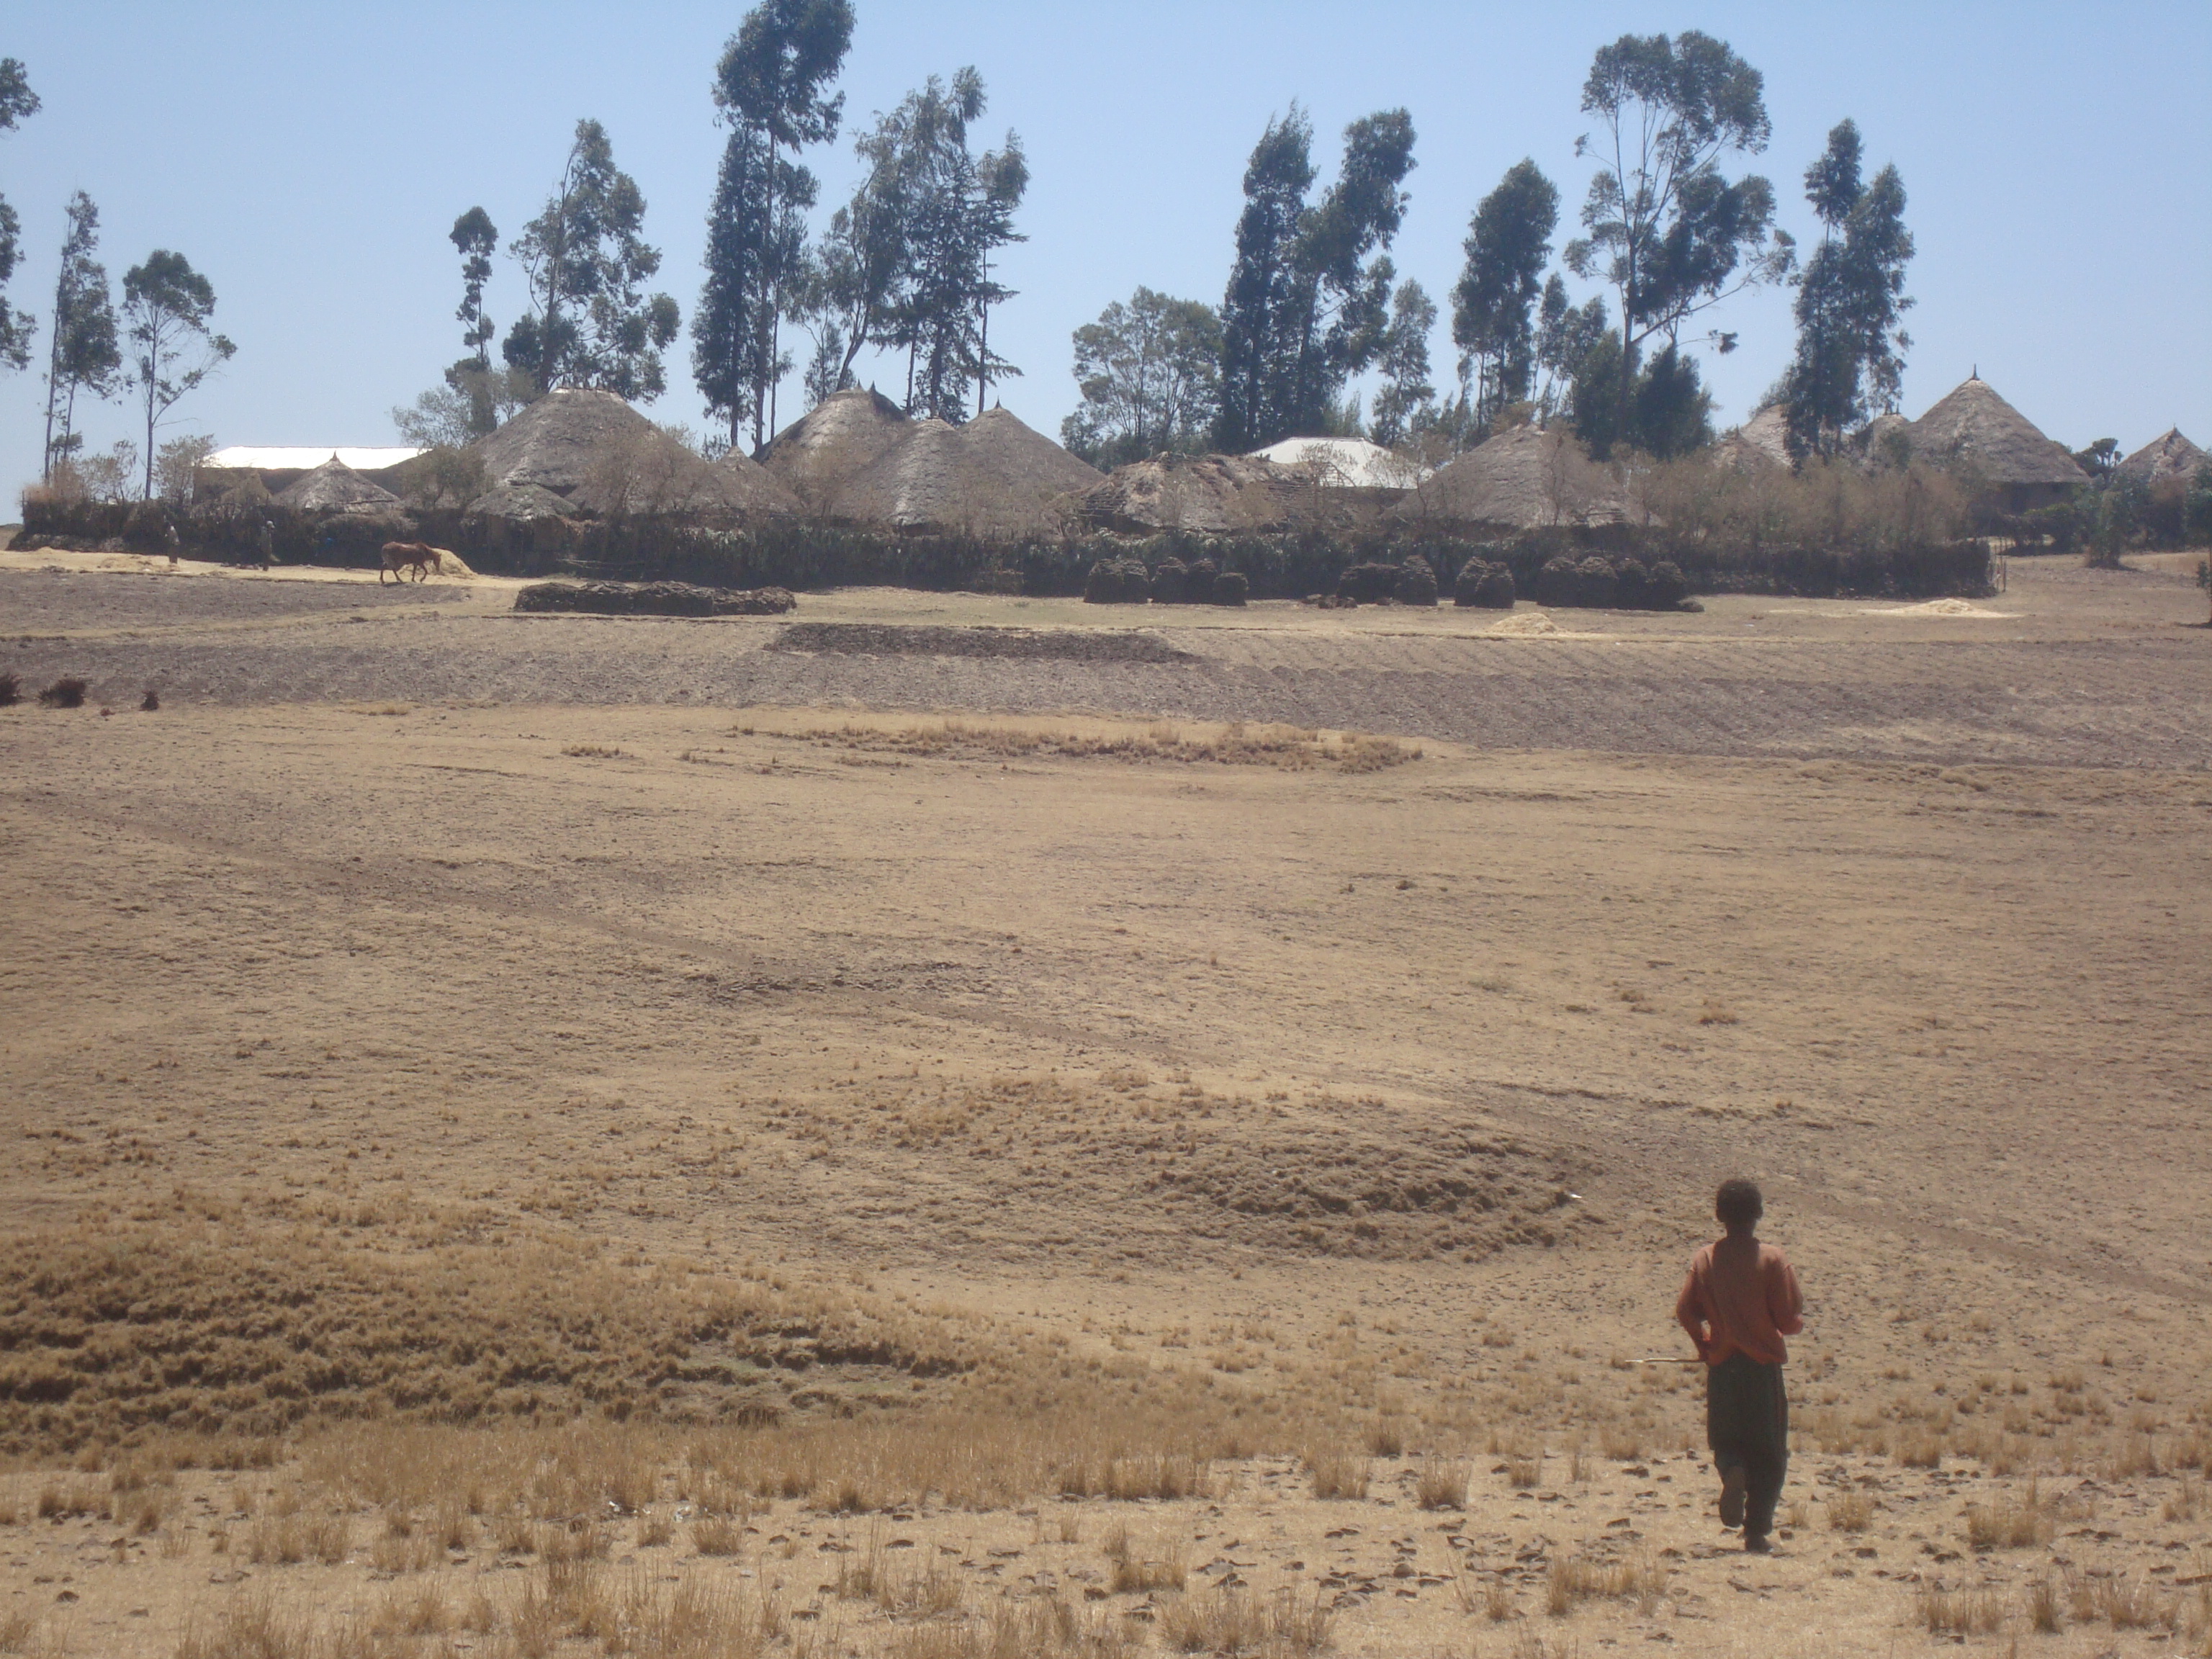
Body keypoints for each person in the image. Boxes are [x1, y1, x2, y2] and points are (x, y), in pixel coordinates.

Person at [1676, 1177, 1804, 1552]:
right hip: (1762, 1371)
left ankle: (1732, 1470)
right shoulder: (1773, 1260)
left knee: (1727, 1441)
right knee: (1770, 1451)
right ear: (1759, 1214)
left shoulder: (1705, 1260)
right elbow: (1787, 1320)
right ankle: (1757, 1530)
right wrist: (1798, 1324)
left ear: (1719, 1215)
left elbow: (1685, 1311)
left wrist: (1703, 1346)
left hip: (1723, 1369)